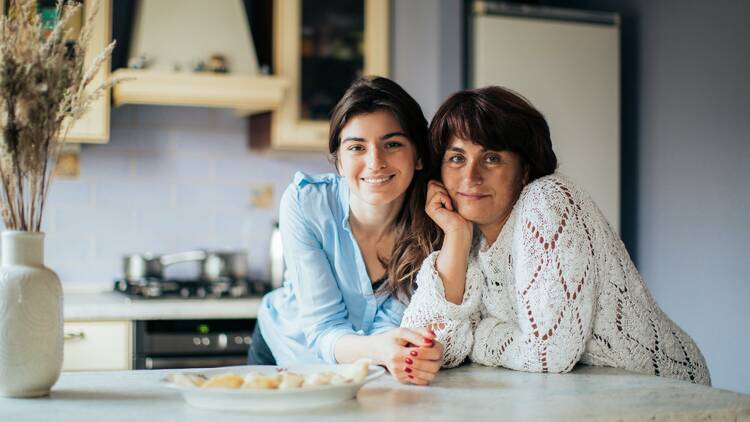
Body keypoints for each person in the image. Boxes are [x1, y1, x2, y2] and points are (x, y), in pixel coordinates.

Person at [401, 86, 710, 385]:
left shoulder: (548, 200)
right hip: (589, 396)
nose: (471, 176)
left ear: (524, 170)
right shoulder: (469, 237)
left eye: (492, 158)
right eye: (456, 158)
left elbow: (549, 355)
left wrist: (479, 335)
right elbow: (421, 348)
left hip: (666, 389)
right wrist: (455, 235)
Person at [251, 76, 443, 385]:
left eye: (392, 144)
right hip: (286, 352)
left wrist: (391, 349)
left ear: (418, 156)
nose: (374, 162)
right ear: (338, 161)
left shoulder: (435, 222)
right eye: (357, 147)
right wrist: (382, 349)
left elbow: (394, 330)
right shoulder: (306, 203)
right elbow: (323, 327)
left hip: (369, 368)